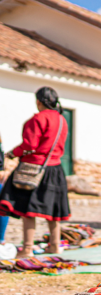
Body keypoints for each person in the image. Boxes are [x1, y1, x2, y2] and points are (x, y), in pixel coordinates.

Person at [0, 87, 70, 258]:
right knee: (53, 211)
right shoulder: (62, 120)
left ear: (39, 101)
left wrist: (12, 153)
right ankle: (54, 246)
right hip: (56, 170)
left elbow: (29, 146)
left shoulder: (38, 119)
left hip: (34, 169)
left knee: (27, 209)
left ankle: (27, 248)